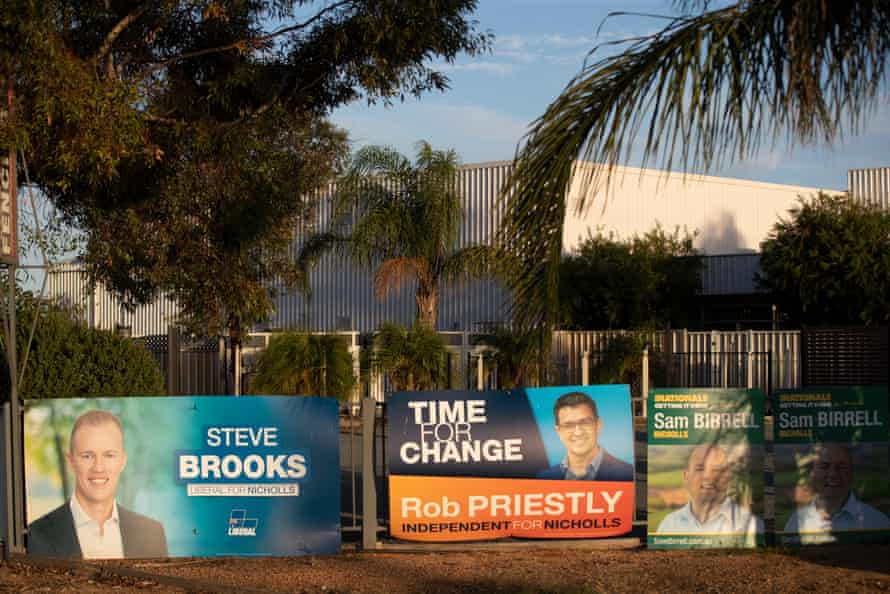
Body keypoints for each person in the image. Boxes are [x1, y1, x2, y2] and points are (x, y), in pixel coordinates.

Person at [28, 410, 168, 559]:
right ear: (70, 462)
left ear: (122, 461)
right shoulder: (35, 536)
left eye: (109, 455)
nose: (99, 467)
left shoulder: (152, 534)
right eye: (87, 456)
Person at [657, 443, 763, 536]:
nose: (708, 476)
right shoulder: (668, 525)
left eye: (717, 470)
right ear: (686, 476)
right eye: (699, 469)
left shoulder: (751, 525)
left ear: (728, 477)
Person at [784, 442, 890, 533]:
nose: (833, 474)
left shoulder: (878, 521)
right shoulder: (794, 523)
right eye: (824, 466)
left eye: (841, 466)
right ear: (812, 474)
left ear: (852, 473)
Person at [537, 391, 633, 481]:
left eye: (585, 422)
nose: (578, 432)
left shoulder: (626, 473)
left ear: (598, 425)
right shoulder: (544, 478)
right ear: (558, 431)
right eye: (568, 425)